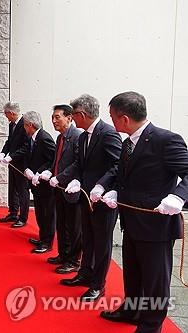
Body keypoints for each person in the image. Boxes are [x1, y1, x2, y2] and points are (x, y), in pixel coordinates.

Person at [100, 92, 188, 332]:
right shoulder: (128, 142)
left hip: (156, 225)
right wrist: (113, 190)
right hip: (131, 221)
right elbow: (124, 175)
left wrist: (178, 196)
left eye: (112, 117)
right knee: (133, 272)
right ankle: (131, 310)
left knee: (155, 280)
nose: (112, 122)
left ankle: (150, 325)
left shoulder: (165, 140)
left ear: (125, 118)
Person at [55, 94, 122, 302]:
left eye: (73, 115)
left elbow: (117, 165)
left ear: (81, 114)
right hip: (85, 196)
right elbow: (79, 164)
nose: (73, 119)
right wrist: (66, 178)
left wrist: (102, 185)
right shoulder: (84, 136)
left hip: (103, 199)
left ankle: (98, 284)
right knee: (88, 238)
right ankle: (85, 274)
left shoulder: (108, 133)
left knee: (102, 243)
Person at [37, 105, 83, 274]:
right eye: (53, 117)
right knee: (62, 224)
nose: (54, 121)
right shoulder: (60, 138)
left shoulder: (77, 136)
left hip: (71, 188)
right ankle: (63, 255)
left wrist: (60, 177)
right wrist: (49, 171)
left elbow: (78, 163)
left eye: (58, 117)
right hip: (58, 188)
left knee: (74, 227)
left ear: (69, 118)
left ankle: (73, 260)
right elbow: (56, 160)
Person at [22, 111, 56, 254]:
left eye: (24, 125)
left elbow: (52, 160)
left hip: (45, 185)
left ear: (30, 125)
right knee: (40, 213)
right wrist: (28, 169)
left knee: (47, 214)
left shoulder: (44, 138)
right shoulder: (33, 138)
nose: (24, 128)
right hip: (36, 184)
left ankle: (47, 242)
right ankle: (42, 237)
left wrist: (39, 172)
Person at [0, 102, 30, 227]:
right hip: (12, 162)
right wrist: (3, 153)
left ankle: (23, 217)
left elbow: (27, 146)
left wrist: (11, 156)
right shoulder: (12, 125)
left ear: (11, 113)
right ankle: (13, 212)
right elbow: (9, 141)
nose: (6, 116)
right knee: (13, 188)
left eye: (6, 114)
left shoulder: (25, 123)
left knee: (22, 191)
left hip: (22, 163)